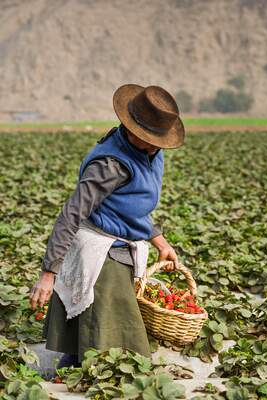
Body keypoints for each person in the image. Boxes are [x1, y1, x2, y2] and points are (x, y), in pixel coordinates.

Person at [29, 84, 185, 368]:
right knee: (105, 341)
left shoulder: (151, 152)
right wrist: (48, 273)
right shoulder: (109, 166)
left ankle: (76, 361)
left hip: (123, 244)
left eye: (157, 141)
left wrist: (160, 241)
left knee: (105, 337)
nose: (153, 147)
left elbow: (131, 207)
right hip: (100, 249)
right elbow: (71, 214)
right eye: (147, 139)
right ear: (131, 130)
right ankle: (72, 368)